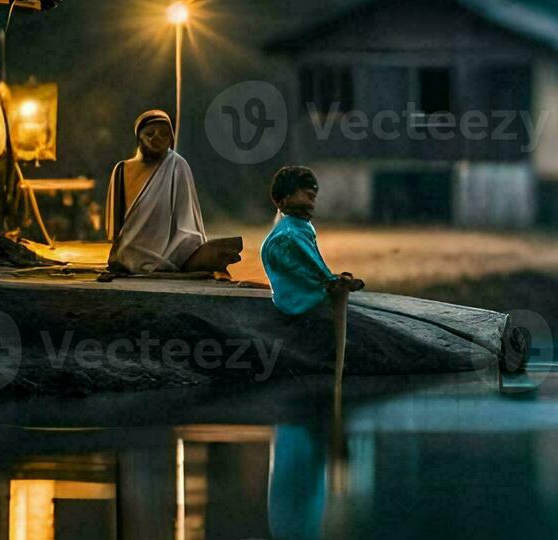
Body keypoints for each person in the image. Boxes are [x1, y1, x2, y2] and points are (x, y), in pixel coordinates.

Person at [261, 166, 364, 379]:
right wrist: (334, 282)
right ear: (285, 199)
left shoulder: (299, 228)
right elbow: (313, 272)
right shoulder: (288, 236)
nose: (311, 202)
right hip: (299, 310)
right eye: (306, 195)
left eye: (313, 196)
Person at [105, 110, 239, 274]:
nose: (157, 138)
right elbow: (115, 230)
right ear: (139, 137)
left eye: (164, 134)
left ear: (171, 139)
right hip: (127, 254)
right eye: (150, 134)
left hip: (166, 253)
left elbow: (186, 223)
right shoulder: (121, 170)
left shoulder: (177, 166)